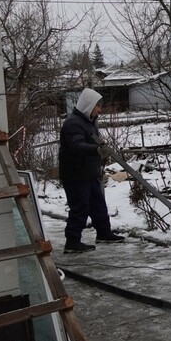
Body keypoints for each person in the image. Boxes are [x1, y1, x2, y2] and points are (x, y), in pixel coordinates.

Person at [58, 88, 125, 253]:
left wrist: (101, 151)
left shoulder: (90, 120)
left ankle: (104, 232)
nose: (100, 110)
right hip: (75, 173)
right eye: (97, 106)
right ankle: (72, 241)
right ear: (88, 105)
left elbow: (93, 141)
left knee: (98, 204)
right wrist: (96, 150)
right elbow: (76, 145)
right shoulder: (73, 123)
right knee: (80, 207)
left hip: (89, 170)